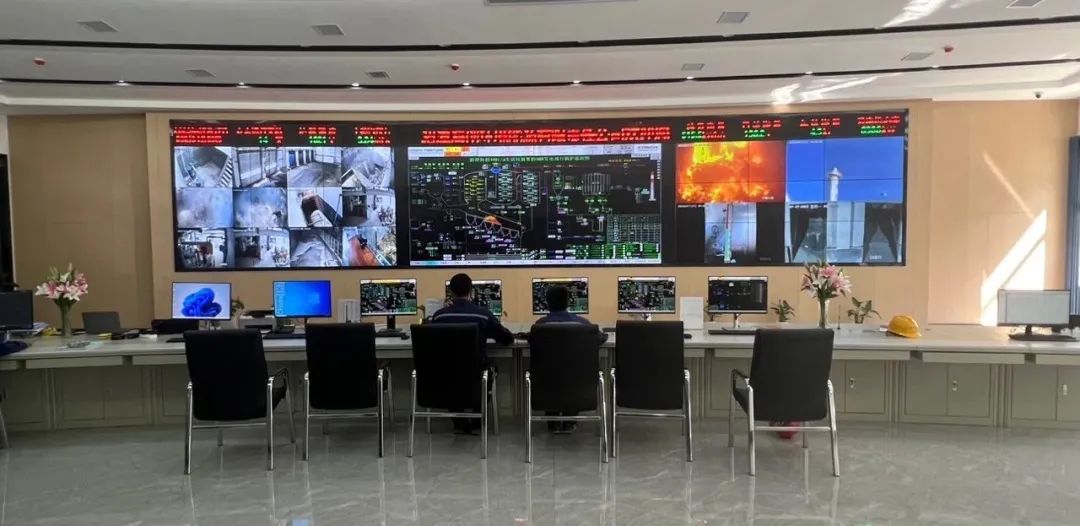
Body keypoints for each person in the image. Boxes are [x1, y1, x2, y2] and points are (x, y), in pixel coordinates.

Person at [430, 273, 514, 434]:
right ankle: (477, 420)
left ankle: (459, 422)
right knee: (486, 371)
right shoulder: (483, 315)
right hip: (476, 373)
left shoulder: (439, 316)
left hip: (446, 375)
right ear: (471, 291)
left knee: (451, 373)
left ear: (450, 292)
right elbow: (507, 339)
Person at [532, 285, 608, 434]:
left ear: (547, 302)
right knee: (573, 374)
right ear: (568, 302)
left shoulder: (540, 325)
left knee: (552, 375)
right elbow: (599, 339)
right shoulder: (584, 324)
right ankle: (570, 421)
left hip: (547, 384)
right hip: (579, 384)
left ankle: (553, 421)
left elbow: (532, 341)